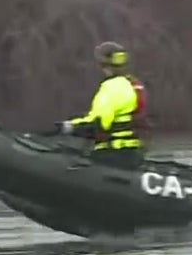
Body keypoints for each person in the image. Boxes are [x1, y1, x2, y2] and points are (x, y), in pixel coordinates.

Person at [55, 41, 149, 169]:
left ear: (103, 64)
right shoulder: (134, 85)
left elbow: (99, 123)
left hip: (113, 155)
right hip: (133, 154)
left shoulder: (112, 87)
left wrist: (68, 127)